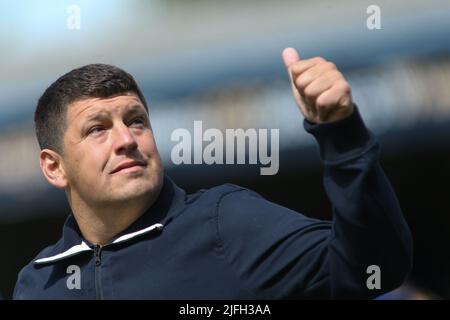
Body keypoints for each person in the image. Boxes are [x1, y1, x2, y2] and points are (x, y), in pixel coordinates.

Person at [13, 48, 412, 299]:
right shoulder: (37, 283)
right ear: (54, 167)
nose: (126, 140)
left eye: (136, 121)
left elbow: (373, 268)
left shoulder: (225, 221)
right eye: (97, 128)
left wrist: (341, 133)